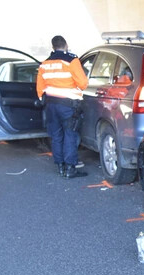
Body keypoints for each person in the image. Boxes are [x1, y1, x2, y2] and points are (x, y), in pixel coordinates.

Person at [36, 35, 89, 179]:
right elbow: (83, 83)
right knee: (70, 135)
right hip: (68, 105)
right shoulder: (71, 60)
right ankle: (71, 168)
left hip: (51, 105)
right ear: (65, 45)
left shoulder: (44, 64)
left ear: (53, 47)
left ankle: (60, 166)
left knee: (57, 136)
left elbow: (40, 88)